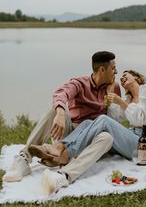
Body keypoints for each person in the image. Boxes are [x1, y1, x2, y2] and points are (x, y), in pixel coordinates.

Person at [29, 70, 146, 196]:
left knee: (102, 120)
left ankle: (65, 152)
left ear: (136, 77)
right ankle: (62, 147)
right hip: (130, 137)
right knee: (87, 123)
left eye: (125, 75)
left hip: (142, 143)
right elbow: (116, 117)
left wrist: (120, 102)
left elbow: (142, 117)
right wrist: (109, 94)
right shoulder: (129, 97)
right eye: (121, 77)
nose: (122, 78)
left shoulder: (145, 89)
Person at [3, 51, 120, 183]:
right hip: (70, 134)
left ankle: (64, 175)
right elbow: (61, 93)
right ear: (102, 70)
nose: (116, 72)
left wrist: (109, 97)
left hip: (91, 139)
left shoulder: (113, 88)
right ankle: (24, 159)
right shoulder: (80, 83)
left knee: (107, 137)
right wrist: (60, 113)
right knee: (55, 110)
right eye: (114, 68)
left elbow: (114, 123)